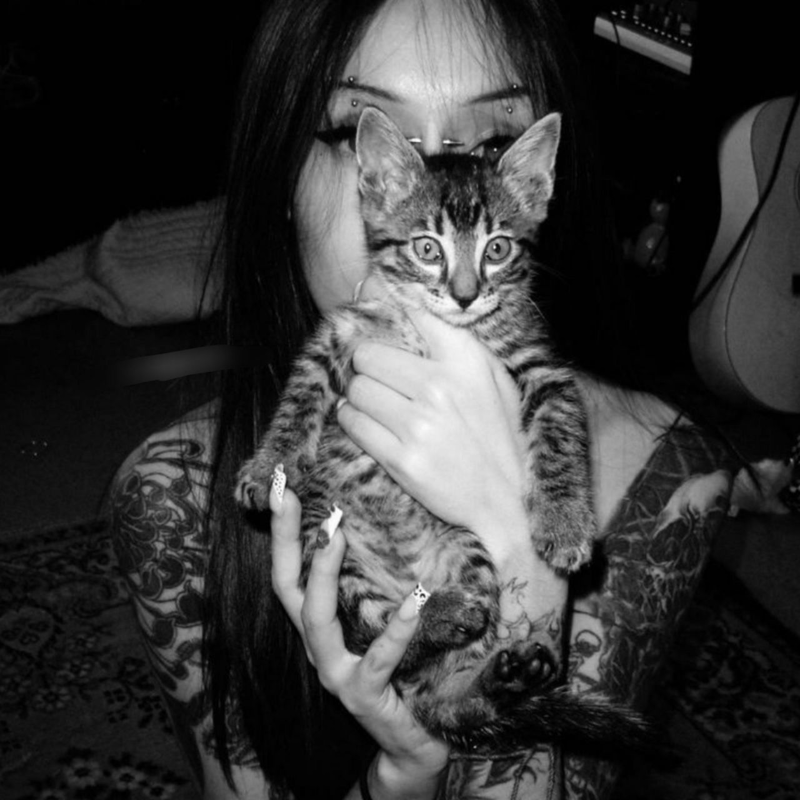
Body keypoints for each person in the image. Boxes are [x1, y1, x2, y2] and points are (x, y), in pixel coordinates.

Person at [106, 0, 745, 798]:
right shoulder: (170, 503)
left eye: (493, 143)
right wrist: (399, 776)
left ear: (536, 187)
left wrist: (522, 556)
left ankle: (455, 679)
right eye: (364, 134)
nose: (465, 288)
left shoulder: (672, 477)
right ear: (281, 177)